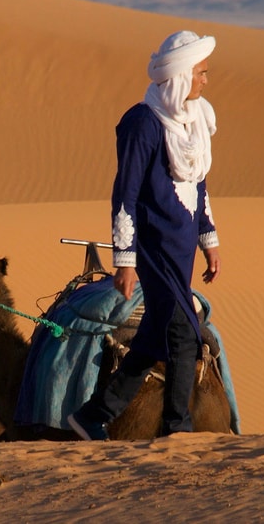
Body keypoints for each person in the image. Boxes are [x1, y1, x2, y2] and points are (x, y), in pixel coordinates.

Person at [67, 30, 222, 440]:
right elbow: (126, 194)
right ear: (181, 76)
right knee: (184, 333)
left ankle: (92, 416)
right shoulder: (143, 123)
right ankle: (177, 427)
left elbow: (197, 183)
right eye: (201, 73)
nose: (206, 80)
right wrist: (125, 260)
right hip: (153, 249)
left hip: (182, 248)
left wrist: (209, 239)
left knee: (155, 337)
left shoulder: (196, 119)